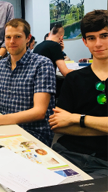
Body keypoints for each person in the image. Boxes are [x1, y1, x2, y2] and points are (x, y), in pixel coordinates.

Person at [49, 10, 108, 178]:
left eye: (104, 36)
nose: (98, 43)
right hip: (67, 153)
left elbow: (68, 121)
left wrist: (76, 118)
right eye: (91, 38)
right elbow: (59, 125)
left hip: (104, 162)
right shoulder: (74, 79)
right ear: (85, 41)